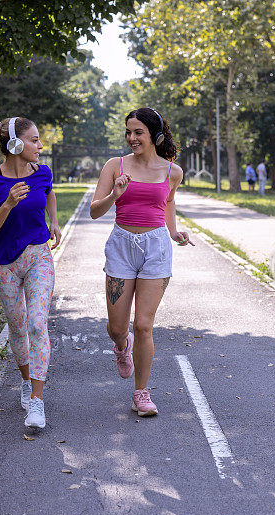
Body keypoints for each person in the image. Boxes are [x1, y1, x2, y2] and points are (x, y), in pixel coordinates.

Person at [90, 107, 193, 417]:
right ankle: (122, 347)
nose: (132, 138)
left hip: (156, 248)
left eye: (138, 132)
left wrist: (173, 232)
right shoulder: (115, 166)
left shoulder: (172, 171)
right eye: (128, 132)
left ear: (155, 136)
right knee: (117, 327)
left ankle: (141, 393)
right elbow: (95, 210)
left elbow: (169, 201)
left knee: (144, 325)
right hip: (121, 246)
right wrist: (115, 194)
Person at [0, 116, 61, 429]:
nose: (40, 146)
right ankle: (27, 381)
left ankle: (37, 403)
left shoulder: (42, 173)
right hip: (4, 264)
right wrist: (8, 204)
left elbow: (48, 193)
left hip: (38, 255)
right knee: (18, 326)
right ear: (14, 144)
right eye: (34, 140)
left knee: (37, 323)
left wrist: (53, 221)